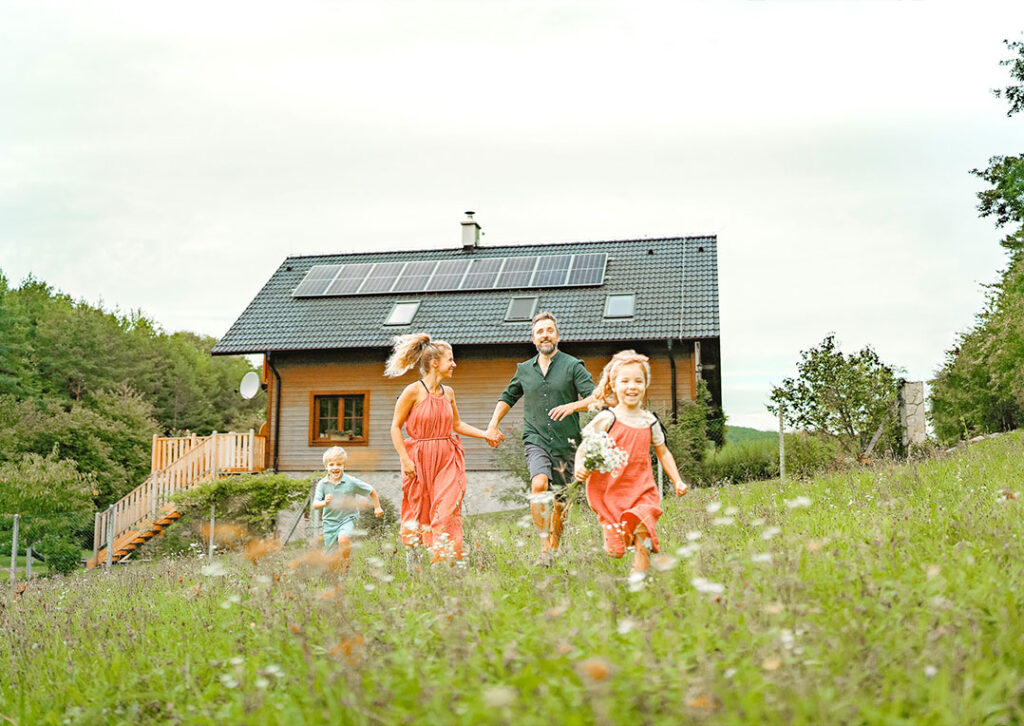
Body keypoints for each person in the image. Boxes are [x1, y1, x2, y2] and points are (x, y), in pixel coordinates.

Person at [486, 311, 596, 565]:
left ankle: (553, 550)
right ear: (533, 339)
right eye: (539, 332)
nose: (544, 335)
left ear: (557, 335)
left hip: (567, 443)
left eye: (549, 330)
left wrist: (572, 406)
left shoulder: (573, 366)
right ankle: (545, 548)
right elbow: (507, 397)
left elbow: (595, 398)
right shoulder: (524, 370)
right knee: (538, 484)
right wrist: (493, 424)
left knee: (560, 505)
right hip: (536, 439)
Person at [573, 350, 689, 575]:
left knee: (643, 532)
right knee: (616, 552)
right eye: (625, 381)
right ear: (613, 385)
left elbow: (663, 452)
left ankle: (639, 584)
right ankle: (615, 538)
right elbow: (585, 446)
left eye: (638, 381)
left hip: (642, 489)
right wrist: (579, 465)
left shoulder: (650, 421)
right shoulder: (607, 418)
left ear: (646, 385)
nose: (632, 386)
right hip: (611, 492)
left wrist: (677, 480)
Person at [387, 333, 496, 566]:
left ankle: (444, 562)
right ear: (435, 363)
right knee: (418, 509)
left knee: (447, 509)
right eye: (451, 359)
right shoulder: (413, 391)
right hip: (418, 458)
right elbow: (395, 427)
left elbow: (457, 425)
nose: (454, 364)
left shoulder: (449, 393)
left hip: (448, 456)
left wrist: (485, 433)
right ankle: (414, 559)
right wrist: (405, 460)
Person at [313, 446, 384, 564]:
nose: (335, 467)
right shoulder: (322, 484)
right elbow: (315, 504)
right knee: (330, 555)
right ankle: (335, 570)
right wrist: (324, 502)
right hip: (329, 522)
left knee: (343, 539)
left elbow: (371, 491)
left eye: (339, 464)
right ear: (326, 466)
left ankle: (346, 563)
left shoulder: (351, 482)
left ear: (344, 466)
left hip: (348, 519)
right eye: (331, 464)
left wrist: (377, 507)